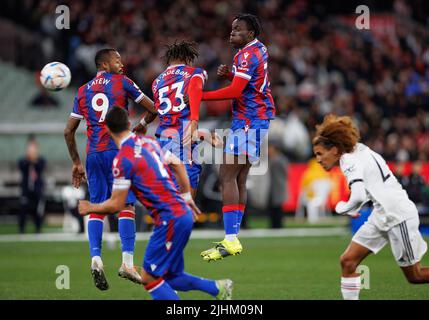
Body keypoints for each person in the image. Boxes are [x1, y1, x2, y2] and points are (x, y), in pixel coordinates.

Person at [78, 106, 233, 300]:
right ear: (128, 124)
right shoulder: (148, 142)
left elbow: (117, 205)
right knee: (172, 276)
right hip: (181, 214)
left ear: (107, 130)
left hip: (169, 220)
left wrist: (90, 207)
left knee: (149, 277)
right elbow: (176, 162)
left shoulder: (122, 160)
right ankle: (218, 289)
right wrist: (186, 197)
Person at [64, 48, 158, 290]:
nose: (122, 63)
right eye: (117, 60)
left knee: (97, 206)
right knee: (126, 205)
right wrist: (141, 125)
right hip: (119, 151)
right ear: (104, 64)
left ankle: (96, 258)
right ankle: (127, 263)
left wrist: (76, 162)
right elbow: (154, 107)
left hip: (93, 154)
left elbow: (68, 131)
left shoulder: (83, 90)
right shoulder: (122, 82)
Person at [313, 114, 429, 300]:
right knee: (348, 261)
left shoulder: (347, 160)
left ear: (335, 150)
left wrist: (342, 207)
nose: (318, 159)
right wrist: (353, 207)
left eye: (320, 153)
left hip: (398, 216)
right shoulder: (360, 149)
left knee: (415, 276)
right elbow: (369, 187)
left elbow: (358, 194)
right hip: (382, 214)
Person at [200, 13, 276, 261]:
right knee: (240, 177)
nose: (232, 33)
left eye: (238, 30)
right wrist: (232, 75)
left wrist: (200, 96)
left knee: (226, 174)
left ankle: (231, 238)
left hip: (248, 120)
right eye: (232, 29)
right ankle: (233, 236)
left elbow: (234, 92)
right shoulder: (258, 49)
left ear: (250, 34)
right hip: (256, 118)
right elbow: (252, 83)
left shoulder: (245, 54)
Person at [147, 40, 221, 199]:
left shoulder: (156, 82)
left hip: (162, 142)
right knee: (187, 205)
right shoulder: (196, 73)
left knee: (167, 200)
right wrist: (195, 122)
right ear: (188, 58)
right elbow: (196, 88)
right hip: (184, 142)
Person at [18, 135, 46, 234]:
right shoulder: (23, 161)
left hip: (37, 189)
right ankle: (21, 229)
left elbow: (40, 169)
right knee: (23, 208)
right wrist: (29, 159)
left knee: (37, 209)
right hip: (26, 189)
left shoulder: (41, 160)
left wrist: (34, 160)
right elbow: (22, 168)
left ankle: (38, 228)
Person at [267, 140, 288, 229]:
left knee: (277, 207)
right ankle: (274, 224)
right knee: (273, 207)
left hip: (278, 185)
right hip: (273, 185)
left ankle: (278, 225)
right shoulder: (274, 159)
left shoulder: (278, 159)